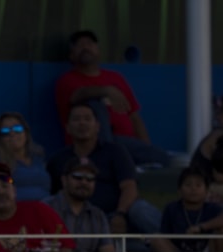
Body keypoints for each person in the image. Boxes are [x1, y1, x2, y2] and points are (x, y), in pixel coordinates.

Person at [44, 156, 149, 252]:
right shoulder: (47, 207)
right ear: (64, 180)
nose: (84, 182)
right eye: (78, 177)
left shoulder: (97, 214)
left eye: (90, 179)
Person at [54, 29, 170, 167]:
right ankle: (106, 159)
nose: (85, 47)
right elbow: (77, 96)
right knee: (94, 104)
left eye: (90, 44)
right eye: (79, 45)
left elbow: (134, 116)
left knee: (160, 157)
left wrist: (145, 147)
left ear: (98, 50)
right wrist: (106, 90)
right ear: (71, 55)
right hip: (91, 145)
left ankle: (124, 163)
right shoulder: (67, 80)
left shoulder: (115, 78)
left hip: (126, 144)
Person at [45, 106, 161, 236]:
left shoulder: (116, 151)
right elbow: (54, 194)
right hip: (79, 217)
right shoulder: (58, 159)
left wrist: (120, 214)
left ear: (97, 126)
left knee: (140, 210)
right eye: (76, 119)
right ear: (68, 127)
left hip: (116, 214)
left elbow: (129, 187)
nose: (82, 123)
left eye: (87, 119)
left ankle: (177, 243)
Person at [0, 112, 50, 223]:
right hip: (12, 218)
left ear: (26, 132)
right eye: (5, 132)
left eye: (17, 129)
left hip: (43, 215)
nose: (12, 134)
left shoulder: (38, 156)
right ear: (0, 138)